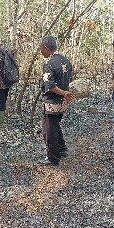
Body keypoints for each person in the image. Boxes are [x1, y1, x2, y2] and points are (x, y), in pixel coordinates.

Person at [37, 35, 74, 167]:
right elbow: (70, 79)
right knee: (55, 125)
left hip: (52, 102)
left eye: (41, 49)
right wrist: (65, 93)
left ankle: (53, 157)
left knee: (49, 130)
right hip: (63, 102)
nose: (41, 51)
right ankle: (62, 148)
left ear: (46, 48)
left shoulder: (49, 64)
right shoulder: (66, 61)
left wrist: (63, 92)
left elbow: (50, 86)